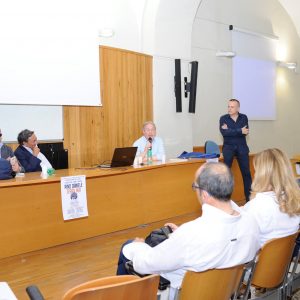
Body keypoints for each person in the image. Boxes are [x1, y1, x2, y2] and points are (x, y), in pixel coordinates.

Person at [116, 162, 260, 298]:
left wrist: (137, 247)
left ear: (205, 194)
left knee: (128, 248)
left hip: (184, 293)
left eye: (195, 187)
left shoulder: (191, 234)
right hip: (226, 292)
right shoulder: (251, 222)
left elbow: (145, 264)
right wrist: (179, 237)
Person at [243, 148, 300, 247]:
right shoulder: (295, 200)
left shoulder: (255, 207)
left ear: (262, 175)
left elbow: (245, 244)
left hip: (261, 261)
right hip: (286, 258)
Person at [220, 99, 252, 202]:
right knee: (226, 174)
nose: (229, 108)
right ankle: (224, 200)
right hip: (228, 148)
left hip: (242, 148)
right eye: (228, 106)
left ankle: (249, 200)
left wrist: (230, 130)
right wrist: (239, 130)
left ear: (238, 108)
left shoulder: (244, 117)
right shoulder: (223, 118)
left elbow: (245, 132)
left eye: (232, 107)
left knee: (246, 173)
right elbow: (224, 133)